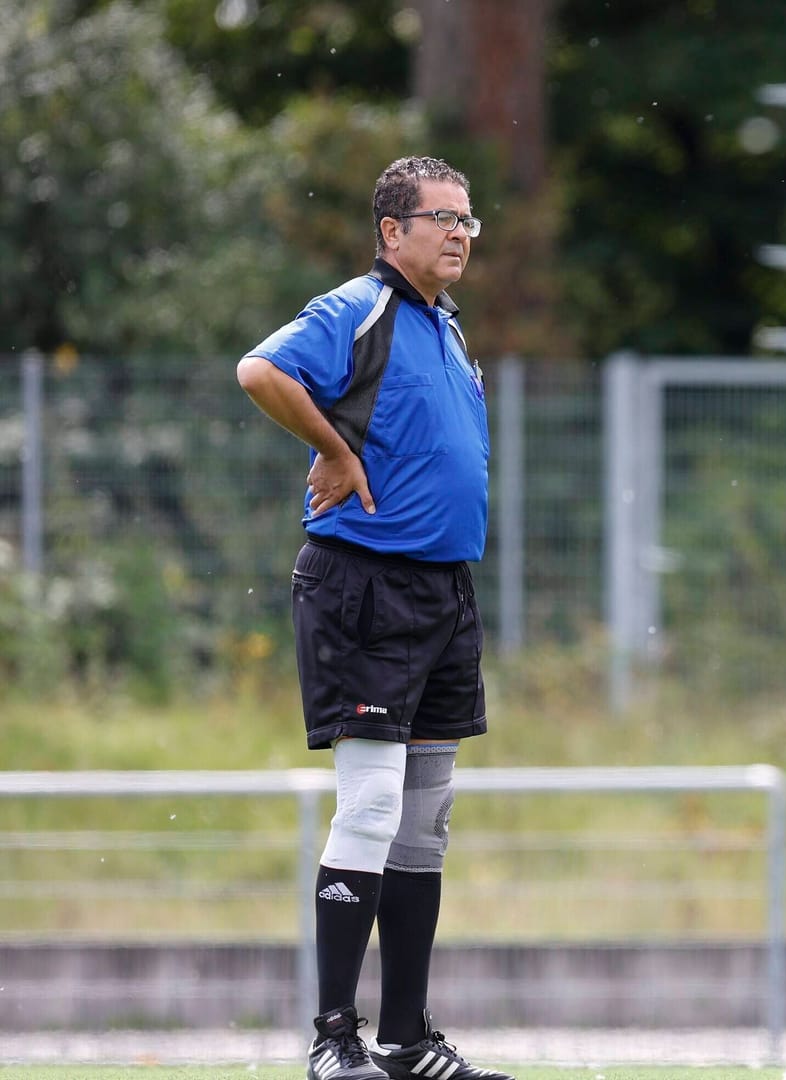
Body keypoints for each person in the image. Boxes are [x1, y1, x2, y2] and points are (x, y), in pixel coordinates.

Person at [237, 156, 512, 1080]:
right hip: (365, 588)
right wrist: (332, 449)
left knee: (426, 822)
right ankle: (332, 1040)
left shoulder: (447, 326)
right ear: (393, 232)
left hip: (442, 594)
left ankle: (405, 1041)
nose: (460, 234)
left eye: (470, 220)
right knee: (373, 804)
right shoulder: (362, 306)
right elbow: (261, 370)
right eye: (443, 218)